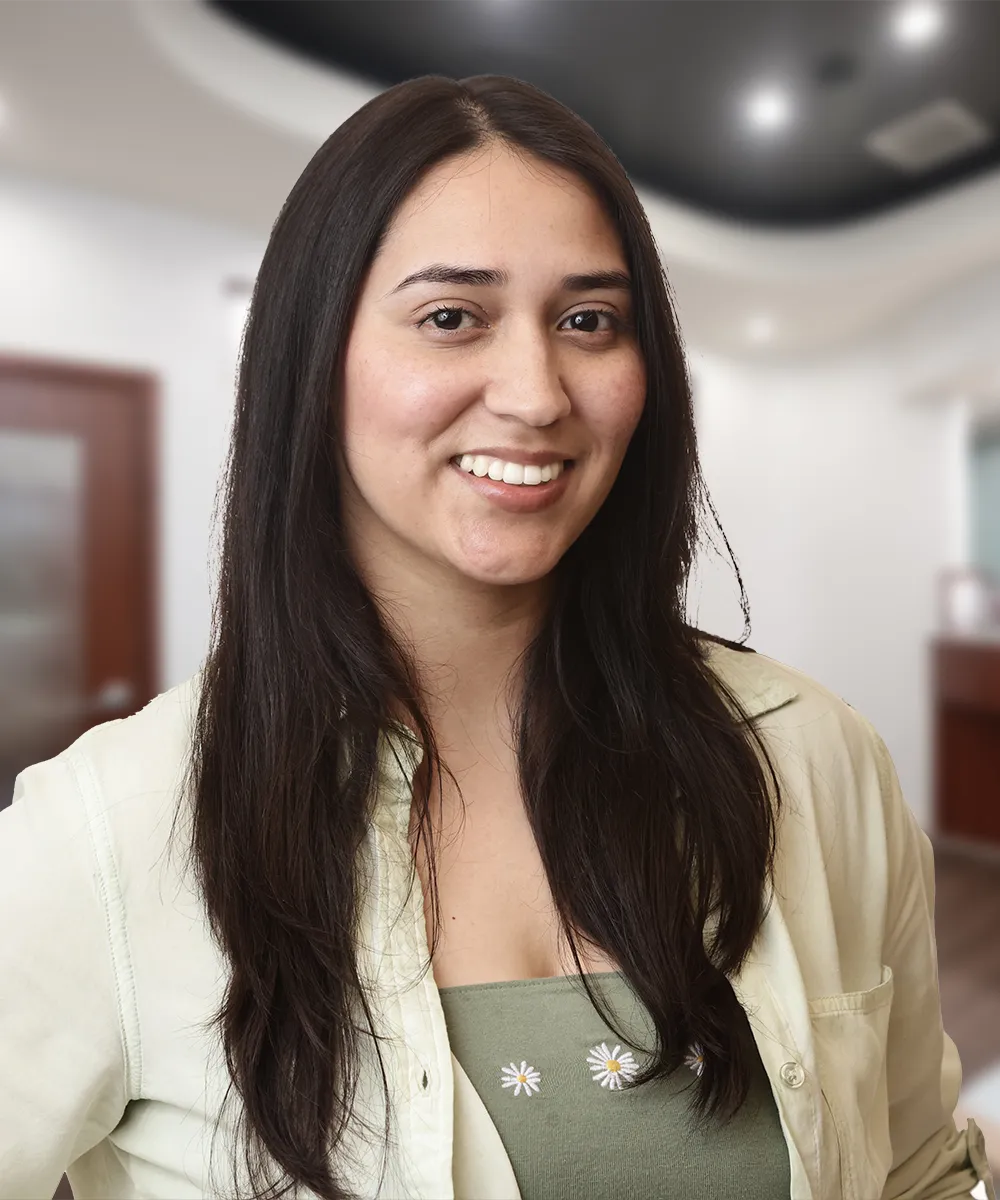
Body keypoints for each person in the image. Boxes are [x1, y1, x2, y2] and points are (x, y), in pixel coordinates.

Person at [0, 73, 993, 1200]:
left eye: (587, 321)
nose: (534, 392)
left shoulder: (814, 762)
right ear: (312, 358)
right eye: (451, 317)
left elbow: (915, 1172)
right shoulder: (110, 833)